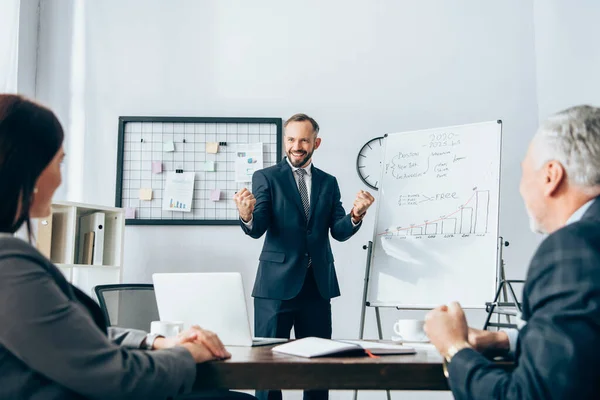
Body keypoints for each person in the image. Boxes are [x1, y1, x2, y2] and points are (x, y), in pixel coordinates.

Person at [0, 94, 235, 400]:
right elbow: (119, 377)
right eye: (59, 162)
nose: (60, 176)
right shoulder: (9, 263)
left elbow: (66, 338)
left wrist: (157, 341)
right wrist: (188, 353)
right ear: (30, 167)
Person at [424, 105, 600, 399]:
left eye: (524, 172)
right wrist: (505, 340)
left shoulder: (574, 246)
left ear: (550, 176)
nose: (520, 188)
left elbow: (528, 395)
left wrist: (454, 348)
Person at [233, 113, 375, 400]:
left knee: (319, 368)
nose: (296, 146)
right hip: (275, 289)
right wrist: (245, 214)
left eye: (303, 140)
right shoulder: (266, 178)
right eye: (291, 139)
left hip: (317, 286)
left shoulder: (328, 182)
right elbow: (257, 227)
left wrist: (356, 215)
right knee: (268, 368)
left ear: (315, 143)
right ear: (285, 141)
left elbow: (338, 230)